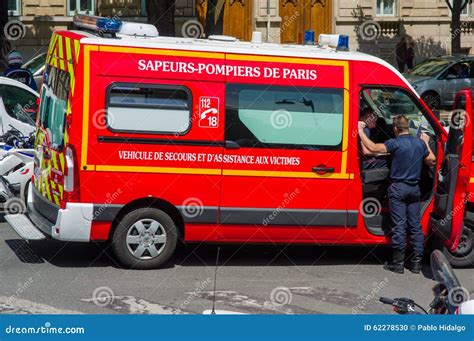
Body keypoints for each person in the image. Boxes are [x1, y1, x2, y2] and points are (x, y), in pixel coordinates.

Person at [358, 115, 436, 274]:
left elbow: (371, 148)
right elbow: (432, 160)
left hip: (398, 189)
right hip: (414, 189)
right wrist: (426, 143)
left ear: (395, 129)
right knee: (415, 225)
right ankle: (416, 264)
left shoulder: (394, 143)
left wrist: (359, 130)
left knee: (399, 225)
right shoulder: (419, 144)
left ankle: (398, 264)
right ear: (407, 127)